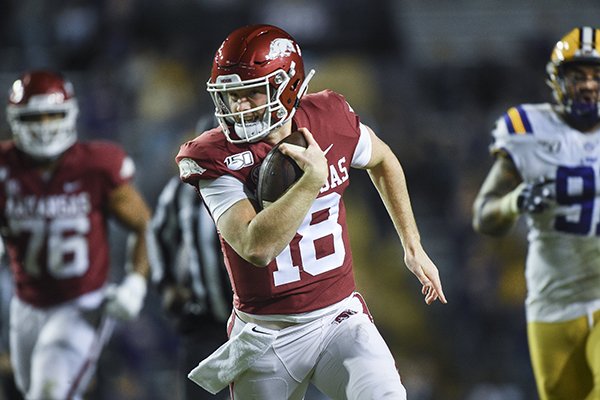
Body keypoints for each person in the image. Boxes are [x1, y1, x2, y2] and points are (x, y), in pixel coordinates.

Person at [175, 24, 447, 400]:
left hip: (339, 319)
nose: (240, 106)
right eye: (232, 95)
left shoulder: (329, 116)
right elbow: (257, 246)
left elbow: (383, 159)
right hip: (266, 336)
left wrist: (412, 245)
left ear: (287, 86)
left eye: (252, 93)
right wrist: (310, 181)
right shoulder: (215, 157)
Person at [0, 70, 150, 400]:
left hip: (82, 303)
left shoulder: (97, 164)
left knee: (49, 394)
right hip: (26, 306)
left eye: (52, 114)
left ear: (70, 114)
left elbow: (142, 224)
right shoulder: (5, 166)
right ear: (15, 119)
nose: (44, 126)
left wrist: (136, 283)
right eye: (34, 117)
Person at [472, 26, 600, 400]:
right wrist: (517, 201)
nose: (589, 85)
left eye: (597, 75)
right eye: (578, 75)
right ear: (557, 80)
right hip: (553, 301)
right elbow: (484, 215)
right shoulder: (528, 128)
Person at [148, 169, 232, 399]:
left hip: (261, 320)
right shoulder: (181, 189)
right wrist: (167, 284)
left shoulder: (260, 177)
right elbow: (158, 234)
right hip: (206, 321)